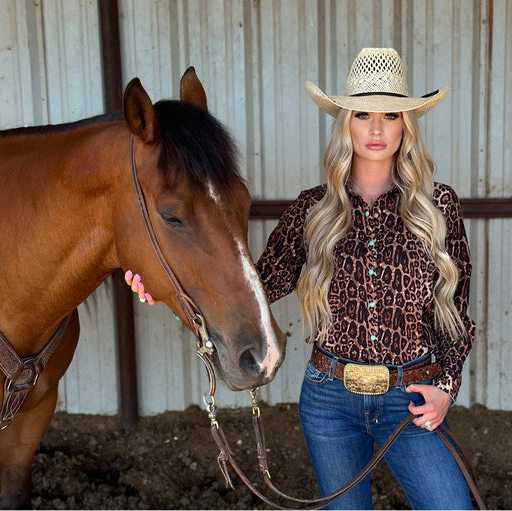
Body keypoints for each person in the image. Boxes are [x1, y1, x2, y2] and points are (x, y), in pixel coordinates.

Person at [126, 48, 475, 510]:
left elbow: (458, 315)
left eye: (390, 115)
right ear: (345, 123)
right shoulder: (312, 210)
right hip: (329, 402)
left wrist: (446, 389)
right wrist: (166, 288)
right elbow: (256, 286)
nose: (375, 129)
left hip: (410, 399)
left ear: (404, 126)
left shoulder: (439, 207)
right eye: (362, 114)